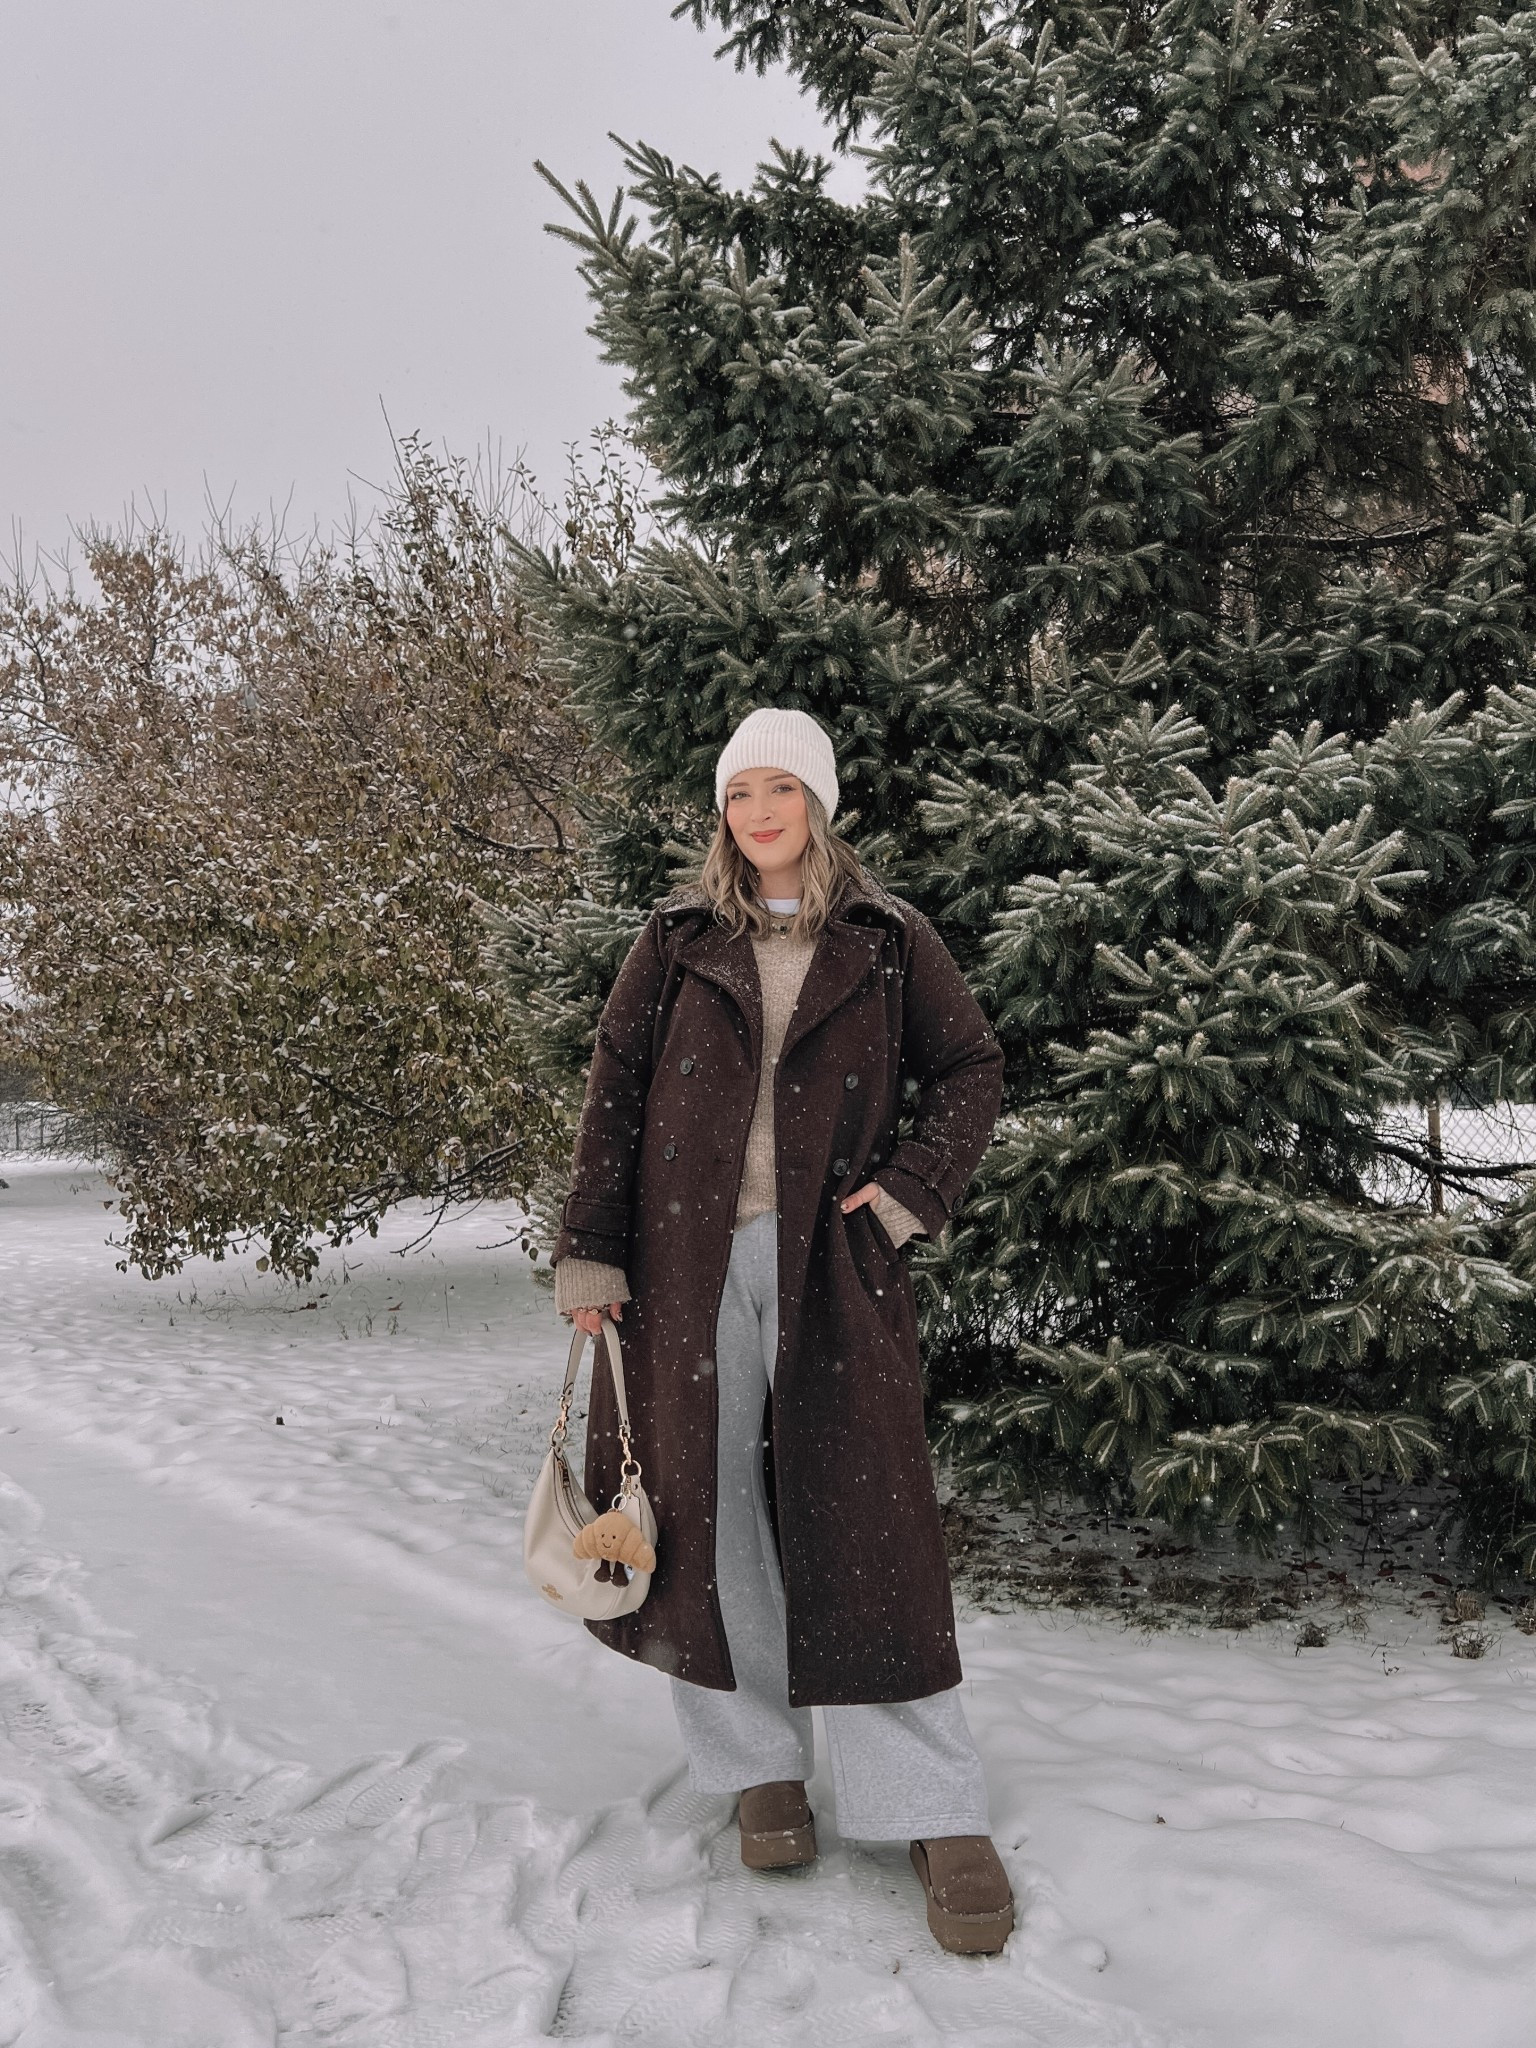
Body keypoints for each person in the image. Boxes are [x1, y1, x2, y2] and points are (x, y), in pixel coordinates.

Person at [550, 705, 1013, 1956]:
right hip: (681, 1265)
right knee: (706, 1513)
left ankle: (929, 1798)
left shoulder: (889, 938)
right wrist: (592, 1245)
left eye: (783, 788)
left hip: (835, 1262)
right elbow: (616, 1087)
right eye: (741, 791)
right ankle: (759, 1762)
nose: (760, 811)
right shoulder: (676, 938)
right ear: (723, 810)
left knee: (867, 1512)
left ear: (820, 802)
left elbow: (972, 1068)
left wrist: (910, 1195)